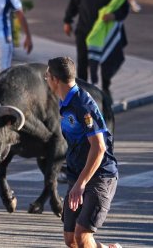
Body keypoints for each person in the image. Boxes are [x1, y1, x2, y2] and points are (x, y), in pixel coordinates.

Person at [45, 57, 120, 248]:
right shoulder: (66, 102)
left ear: (55, 79)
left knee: (81, 235)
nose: (45, 79)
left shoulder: (83, 104)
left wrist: (81, 184)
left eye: (47, 75)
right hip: (78, 175)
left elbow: (99, 147)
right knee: (71, 239)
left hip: (99, 175)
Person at [64, 0, 129, 100]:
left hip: (102, 35)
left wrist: (113, 16)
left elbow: (123, 8)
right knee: (82, 62)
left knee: (105, 62)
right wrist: (68, 21)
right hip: (83, 31)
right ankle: (82, 92)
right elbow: (73, 3)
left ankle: (105, 90)